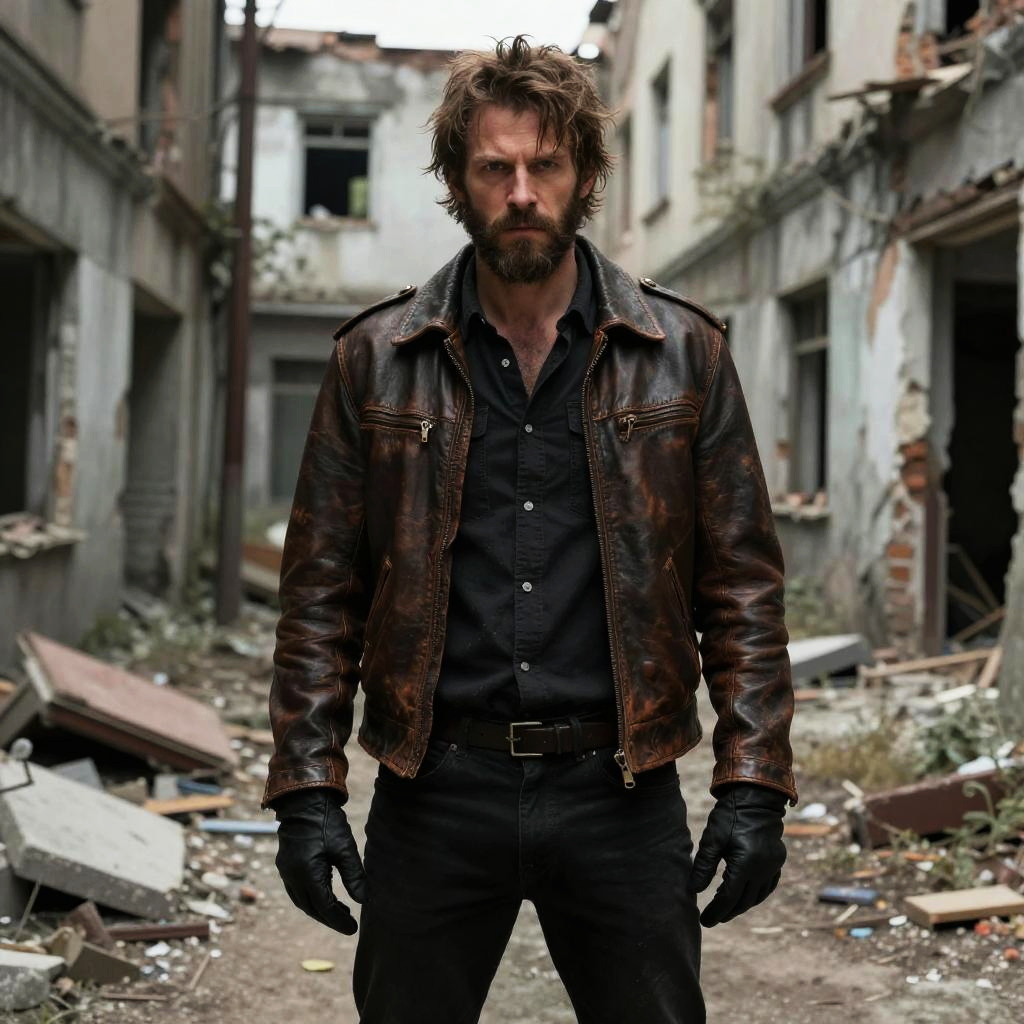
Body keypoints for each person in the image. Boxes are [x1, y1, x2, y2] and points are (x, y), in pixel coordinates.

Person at [265, 35, 798, 1024]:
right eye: (494, 166)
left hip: (619, 790)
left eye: (544, 165)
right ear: (457, 183)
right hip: (434, 788)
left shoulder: (683, 353)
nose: (520, 191)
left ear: (585, 175)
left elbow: (742, 587)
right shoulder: (374, 359)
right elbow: (320, 594)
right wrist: (306, 786)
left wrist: (753, 779)